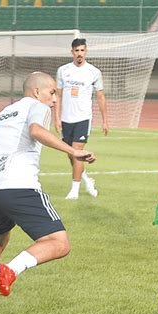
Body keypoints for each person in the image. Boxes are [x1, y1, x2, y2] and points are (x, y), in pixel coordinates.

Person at [0, 72, 96, 314]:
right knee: (59, 243)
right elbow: (35, 130)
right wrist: (72, 151)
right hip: (19, 187)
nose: (55, 100)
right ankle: (10, 270)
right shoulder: (38, 106)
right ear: (37, 92)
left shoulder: (4, 113)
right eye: (52, 92)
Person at [55, 38, 108, 200]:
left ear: (86, 52)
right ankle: (87, 179)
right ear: (72, 52)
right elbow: (57, 95)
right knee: (71, 154)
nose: (79, 54)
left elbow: (100, 97)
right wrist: (56, 118)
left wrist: (105, 120)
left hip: (83, 118)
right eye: (76, 50)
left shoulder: (93, 72)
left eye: (82, 50)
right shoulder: (63, 71)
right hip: (66, 119)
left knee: (77, 152)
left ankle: (74, 191)